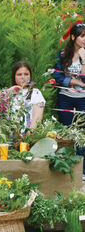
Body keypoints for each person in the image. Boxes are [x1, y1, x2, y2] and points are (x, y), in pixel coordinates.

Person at [54, 24, 85, 179]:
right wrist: (76, 82)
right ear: (73, 37)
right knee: (66, 133)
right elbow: (58, 76)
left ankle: (82, 171)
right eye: (82, 36)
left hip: (82, 99)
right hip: (65, 98)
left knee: (82, 133)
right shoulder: (62, 55)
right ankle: (67, 169)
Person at [9, 61, 45, 129]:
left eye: (26, 74)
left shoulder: (36, 93)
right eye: (19, 74)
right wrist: (7, 92)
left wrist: (28, 136)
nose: (23, 77)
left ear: (30, 76)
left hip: (28, 136)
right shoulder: (9, 93)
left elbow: (37, 118)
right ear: (14, 76)